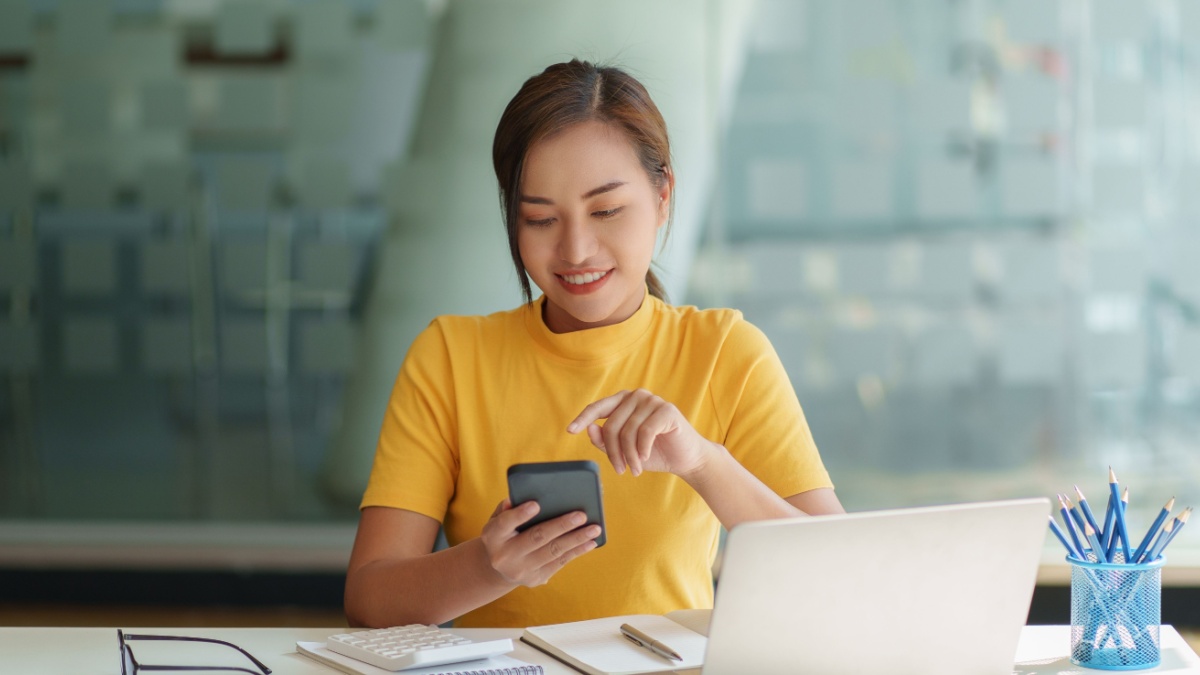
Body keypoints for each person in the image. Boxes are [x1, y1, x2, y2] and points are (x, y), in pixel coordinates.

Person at [344, 59, 844, 629]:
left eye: (605, 210)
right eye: (540, 219)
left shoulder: (726, 353)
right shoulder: (450, 359)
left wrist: (703, 463)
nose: (576, 250)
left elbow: (839, 575)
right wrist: (488, 566)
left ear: (663, 195)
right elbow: (369, 598)